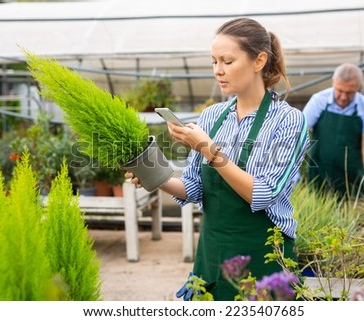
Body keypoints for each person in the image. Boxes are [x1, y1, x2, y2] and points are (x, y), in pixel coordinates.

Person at [126, 18, 309, 301]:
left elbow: (263, 193)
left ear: (259, 60)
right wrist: (154, 175)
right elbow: (194, 187)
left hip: (265, 258)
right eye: (213, 62)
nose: (218, 71)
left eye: (227, 61)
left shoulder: (288, 121)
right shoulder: (212, 116)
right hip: (212, 254)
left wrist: (209, 150)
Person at [302, 63, 364, 203]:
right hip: (320, 174)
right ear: (333, 82)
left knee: (354, 219)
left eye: (349, 92)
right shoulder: (318, 101)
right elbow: (298, 135)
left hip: (352, 177)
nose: (343, 96)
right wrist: (291, 168)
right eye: (339, 90)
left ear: (358, 88)